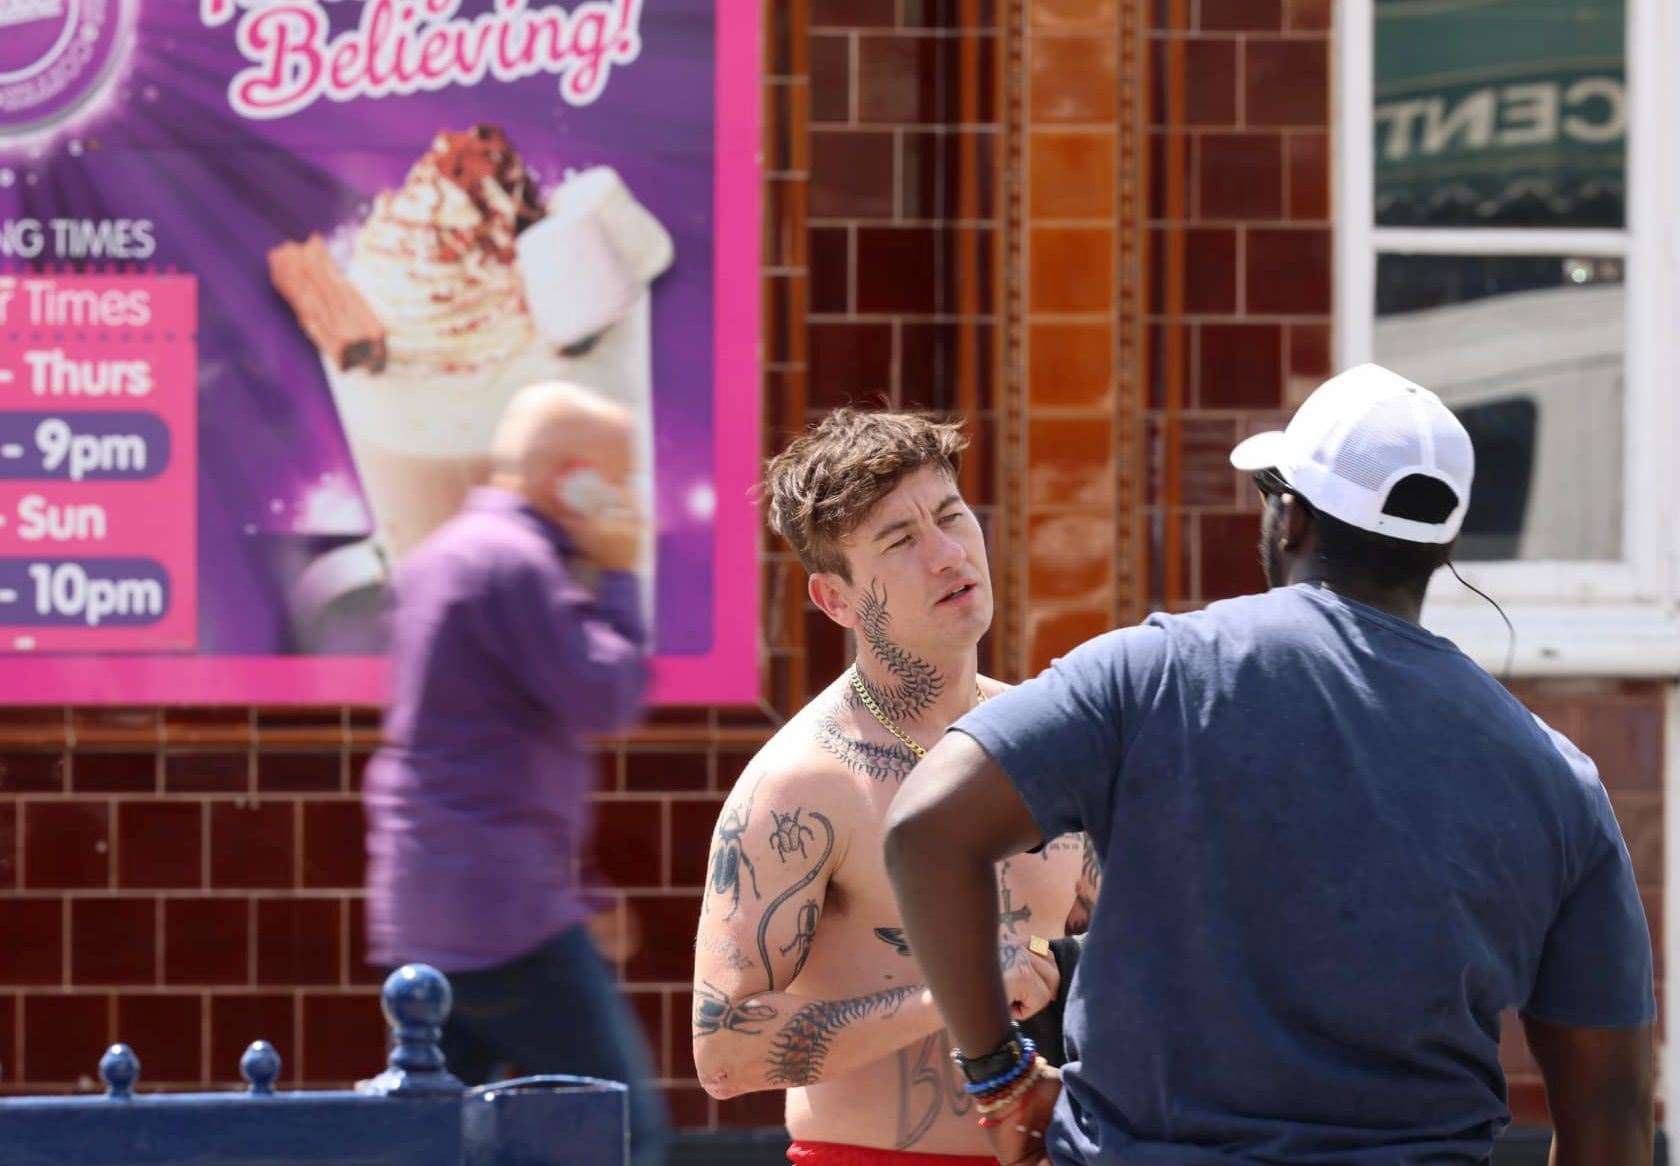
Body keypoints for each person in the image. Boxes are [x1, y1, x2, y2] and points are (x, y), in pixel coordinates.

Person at [883, 363, 1656, 1166]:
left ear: (1290, 518)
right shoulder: (1554, 779)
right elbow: (1612, 1118)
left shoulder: (1154, 675)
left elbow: (926, 827)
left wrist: (999, 1079)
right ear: (1442, 545)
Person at [691, 409, 1100, 1164]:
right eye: (900, 541)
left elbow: (1134, 937)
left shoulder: (1053, 739)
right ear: (835, 600)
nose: (948, 555)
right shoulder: (804, 785)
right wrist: (956, 990)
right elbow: (722, 1054)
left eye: (950, 517)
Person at [362, 381, 669, 1165]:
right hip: (501, 911)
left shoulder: (449, 554)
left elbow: (490, 742)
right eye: (617, 477)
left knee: (435, 1137)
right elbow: (606, 695)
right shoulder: (519, 566)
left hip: (435, 902)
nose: (627, 498)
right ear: (572, 477)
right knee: (622, 1126)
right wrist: (624, 573)